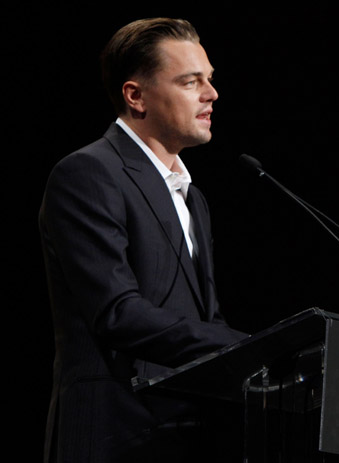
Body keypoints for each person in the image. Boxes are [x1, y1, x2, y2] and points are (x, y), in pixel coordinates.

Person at [39, 18, 249, 462]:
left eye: (209, 79)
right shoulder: (88, 173)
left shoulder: (194, 199)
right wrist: (246, 347)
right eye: (190, 82)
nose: (211, 94)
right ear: (136, 96)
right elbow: (117, 312)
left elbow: (204, 320)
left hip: (185, 436)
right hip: (113, 434)